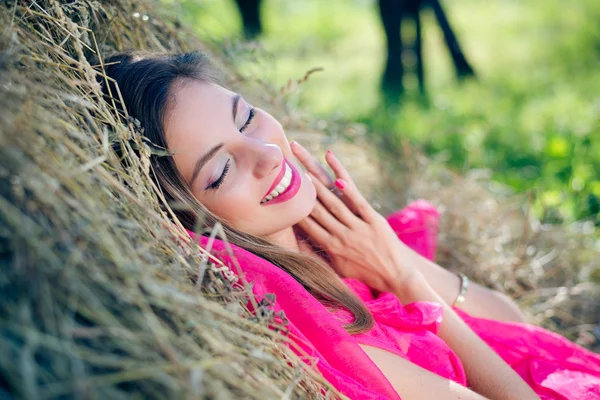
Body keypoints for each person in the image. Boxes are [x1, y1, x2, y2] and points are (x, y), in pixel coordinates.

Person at [98, 51, 600, 400]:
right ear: (186, 214)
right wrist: (404, 280)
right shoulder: (305, 324)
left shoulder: (332, 232)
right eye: (222, 169)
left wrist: (392, 255)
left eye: (246, 117)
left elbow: (516, 326)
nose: (268, 154)